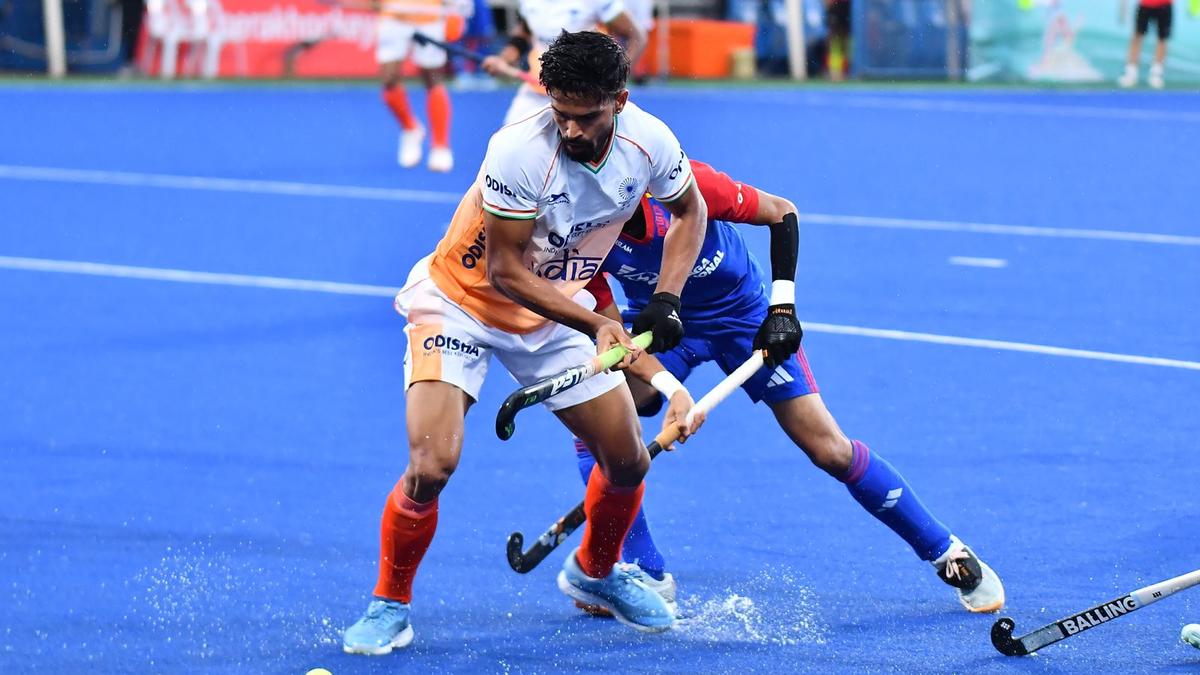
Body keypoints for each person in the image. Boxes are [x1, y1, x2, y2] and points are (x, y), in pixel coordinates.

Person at [341, 31, 712, 655]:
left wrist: (667, 299)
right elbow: (505, 273)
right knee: (432, 466)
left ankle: (595, 572)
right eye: (560, 112)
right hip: (460, 304)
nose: (569, 128)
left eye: (585, 116)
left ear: (619, 101)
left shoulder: (651, 143)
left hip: (551, 314)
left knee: (628, 461)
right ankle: (389, 604)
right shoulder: (517, 150)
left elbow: (690, 212)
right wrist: (595, 324)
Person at [568, 159, 1006, 616]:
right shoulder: (580, 236)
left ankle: (944, 550)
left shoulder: (684, 184)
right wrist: (670, 387)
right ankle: (645, 572)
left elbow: (781, 212)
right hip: (662, 329)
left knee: (828, 449)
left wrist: (782, 309)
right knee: (599, 426)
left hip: (744, 320)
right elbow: (618, 341)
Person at [481, 0, 647, 126]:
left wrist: (613, 82)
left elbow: (637, 37)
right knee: (508, 145)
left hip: (583, 96)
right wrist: (503, 59)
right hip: (536, 91)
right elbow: (524, 33)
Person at [366, 0, 466, 171]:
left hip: (430, 18)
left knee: (433, 79)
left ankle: (440, 146)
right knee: (389, 79)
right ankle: (411, 129)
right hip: (393, 17)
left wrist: (457, 12)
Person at [1119, 0, 1174, 89]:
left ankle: (1156, 74)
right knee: (1137, 37)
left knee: (1162, 39)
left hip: (1165, 5)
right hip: (1145, 4)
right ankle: (1130, 73)